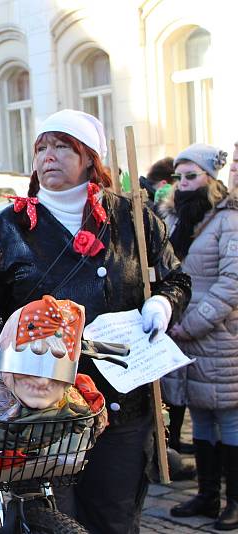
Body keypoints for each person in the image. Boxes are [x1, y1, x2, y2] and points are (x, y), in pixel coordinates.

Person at [0, 109, 191, 534]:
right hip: (41, 412)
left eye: (63, 145)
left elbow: (175, 278)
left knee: (114, 519)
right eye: (41, 147)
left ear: (90, 158)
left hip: (122, 402)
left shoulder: (130, 217)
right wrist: (5, 369)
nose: (48, 156)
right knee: (47, 522)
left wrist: (165, 304)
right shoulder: (8, 227)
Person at [157, 144, 238, 529]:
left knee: (231, 418)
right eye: (180, 177)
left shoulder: (229, 220)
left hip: (221, 336)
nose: (184, 184)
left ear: (211, 178)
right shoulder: (175, 220)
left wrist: (192, 323)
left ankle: (234, 500)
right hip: (183, 333)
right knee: (201, 417)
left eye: (192, 176)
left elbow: (232, 283)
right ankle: (207, 496)